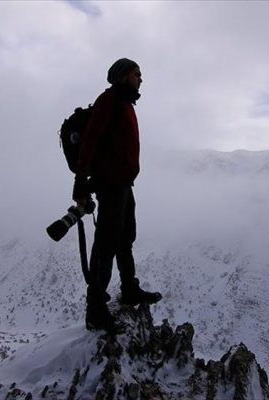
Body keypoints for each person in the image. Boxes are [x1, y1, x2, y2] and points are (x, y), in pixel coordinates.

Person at [73, 58, 162, 331]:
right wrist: (80, 181)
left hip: (123, 184)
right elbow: (90, 140)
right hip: (110, 184)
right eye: (137, 74)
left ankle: (129, 289)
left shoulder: (125, 104)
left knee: (125, 238)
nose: (141, 79)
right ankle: (95, 308)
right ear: (123, 76)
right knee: (106, 243)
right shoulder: (108, 101)